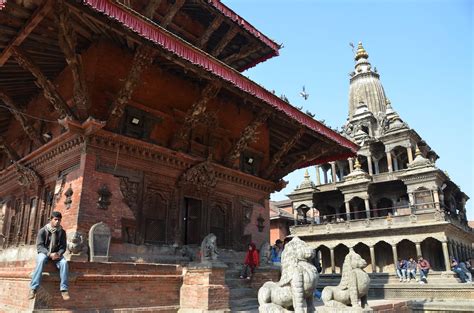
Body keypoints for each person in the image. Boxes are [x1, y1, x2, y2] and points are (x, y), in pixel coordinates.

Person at [28, 211, 69, 300]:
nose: (57, 222)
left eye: (59, 220)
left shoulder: (62, 232)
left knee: (64, 263)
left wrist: (58, 254)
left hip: (57, 255)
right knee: (41, 260)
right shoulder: (43, 231)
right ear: (51, 220)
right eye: (55, 219)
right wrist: (49, 254)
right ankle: (33, 288)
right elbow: (39, 246)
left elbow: (63, 247)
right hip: (45, 253)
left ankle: (64, 289)